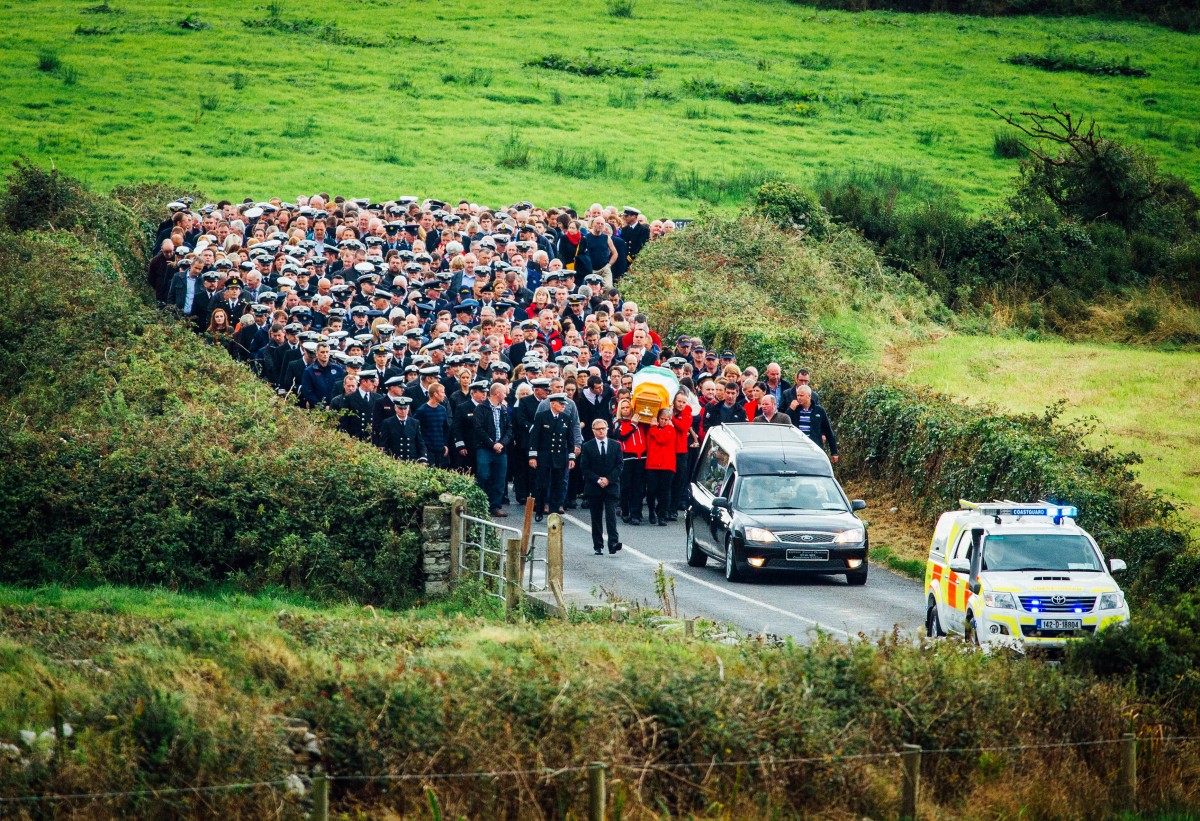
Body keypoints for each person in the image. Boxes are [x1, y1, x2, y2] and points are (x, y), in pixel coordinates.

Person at [528, 392, 575, 522]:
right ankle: (539, 509)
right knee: (542, 484)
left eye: (564, 404)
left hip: (560, 456)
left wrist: (571, 457)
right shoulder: (542, 416)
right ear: (552, 403)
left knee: (558, 485)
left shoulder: (566, 418)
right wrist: (533, 456)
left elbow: (570, 439)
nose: (563, 406)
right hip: (544, 456)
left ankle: (554, 513)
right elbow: (534, 437)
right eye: (561, 403)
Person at [579, 418, 623, 555]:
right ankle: (598, 544)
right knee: (596, 517)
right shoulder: (587, 446)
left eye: (603, 429)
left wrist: (608, 479)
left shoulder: (615, 445)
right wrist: (598, 480)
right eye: (598, 429)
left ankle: (613, 543)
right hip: (594, 487)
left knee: (611, 515)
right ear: (593, 431)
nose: (601, 431)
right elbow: (584, 468)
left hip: (611, 486)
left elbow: (619, 465)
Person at [474, 382, 512, 516]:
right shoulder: (481, 408)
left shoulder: (504, 409)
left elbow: (509, 429)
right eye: (504, 392)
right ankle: (481, 506)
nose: (506, 395)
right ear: (497, 393)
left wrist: (502, 443)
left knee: (499, 479)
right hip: (485, 449)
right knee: (483, 476)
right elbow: (479, 429)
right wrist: (492, 444)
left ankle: (495, 506)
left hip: (501, 450)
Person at [785, 385, 839, 463]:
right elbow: (785, 423)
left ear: (809, 396)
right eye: (798, 395)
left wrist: (834, 452)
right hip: (797, 448)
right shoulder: (794, 409)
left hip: (814, 448)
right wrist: (791, 409)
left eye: (801, 395)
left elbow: (828, 431)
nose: (799, 398)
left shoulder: (819, 410)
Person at [644, 408, 677, 527]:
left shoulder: (671, 430)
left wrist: (653, 428)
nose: (663, 421)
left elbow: (662, 439)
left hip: (666, 465)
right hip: (652, 463)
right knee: (651, 490)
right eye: (662, 419)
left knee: (664, 491)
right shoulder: (653, 429)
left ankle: (662, 515)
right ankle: (652, 510)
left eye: (666, 419)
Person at [375, 396, 427, 463]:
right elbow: (383, 443)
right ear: (395, 408)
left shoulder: (415, 423)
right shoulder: (388, 423)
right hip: (394, 461)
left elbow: (420, 442)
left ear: (408, 409)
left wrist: (423, 458)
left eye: (405, 408)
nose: (403, 411)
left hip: (411, 460)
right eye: (400, 408)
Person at [413, 382, 452, 468]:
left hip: (440, 449)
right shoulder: (422, 410)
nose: (444, 395)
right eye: (442, 392)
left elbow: (445, 428)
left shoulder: (442, 409)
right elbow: (415, 428)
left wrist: (445, 444)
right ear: (435, 394)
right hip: (428, 449)